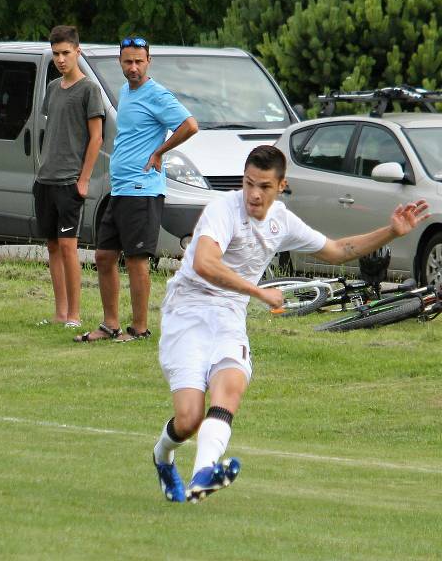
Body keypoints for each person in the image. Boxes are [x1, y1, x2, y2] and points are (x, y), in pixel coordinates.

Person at [151, 145, 430, 503]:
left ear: (281, 185)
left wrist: (391, 231)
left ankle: (204, 472)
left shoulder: (282, 220)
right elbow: (205, 263)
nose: (254, 194)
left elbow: (338, 250)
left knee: (230, 386)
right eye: (249, 183)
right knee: (188, 419)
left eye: (264, 186)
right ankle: (162, 455)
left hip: (228, 317)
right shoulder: (223, 210)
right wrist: (259, 292)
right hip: (186, 312)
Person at [75, 36, 198, 343]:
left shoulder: (156, 94)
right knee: (103, 256)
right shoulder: (127, 92)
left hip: (142, 190)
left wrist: (159, 152)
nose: (133, 67)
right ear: (120, 62)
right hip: (120, 190)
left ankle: (140, 328)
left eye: (138, 61)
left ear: (148, 62)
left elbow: (189, 125)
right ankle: (110, 324)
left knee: (136, 259)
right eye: (127, 61)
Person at [34, 25, 104, 328]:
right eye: (56, 54)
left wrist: (84, 179)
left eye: (66, 53)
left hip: (69, 182)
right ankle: (60, 313)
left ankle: (75, 315)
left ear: (78, 51)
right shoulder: (52, 89)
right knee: (52, 246)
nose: (61, 59)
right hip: (45, 180)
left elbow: (97, 138)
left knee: (68, 247)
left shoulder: (89, 90)